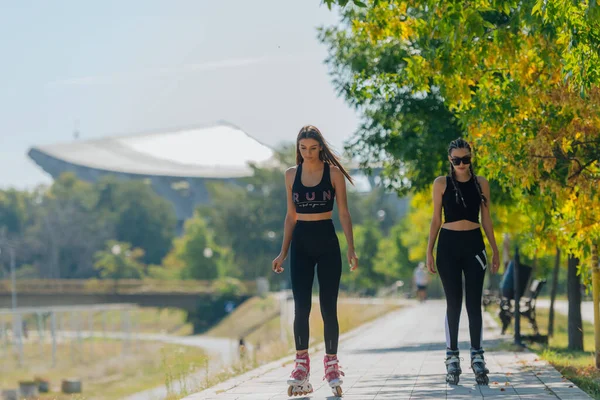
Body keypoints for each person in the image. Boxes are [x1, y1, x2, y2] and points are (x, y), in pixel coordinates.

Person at [272, 125, 358, 397]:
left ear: (320, 146)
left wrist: (351, 249)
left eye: (312, 147)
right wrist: (283, 252)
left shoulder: (332, 174)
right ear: (297, 149)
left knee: (328, 306)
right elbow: (290, 216)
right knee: (301, 306)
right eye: (302, 148)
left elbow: (343, 213)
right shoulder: (290, 175)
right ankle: (301, 367)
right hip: (301, 243)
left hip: (327, 242)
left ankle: (331, 365)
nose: (307, 153)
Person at [426, 138, 500, 385]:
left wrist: (495, 249)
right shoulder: (441, 184)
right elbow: (436, 219)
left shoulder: (481, 183)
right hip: (447, 246)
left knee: (473, 303)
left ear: (471, 158)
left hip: (474, 245)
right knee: (453, 302)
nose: (461, 164)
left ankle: (478, 356)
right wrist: (429, 250)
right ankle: (452, 357)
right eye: (456, 160)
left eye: (465, 159)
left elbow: (486, 219)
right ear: (450, 160)